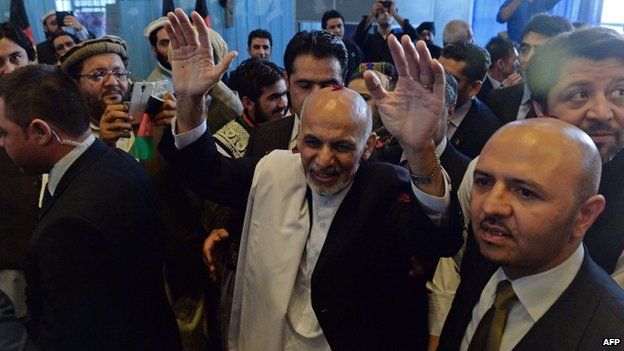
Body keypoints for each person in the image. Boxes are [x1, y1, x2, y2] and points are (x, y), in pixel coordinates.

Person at [161, 9, 462, 350]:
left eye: (342, 146)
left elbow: (436, 239)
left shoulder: (385, 182)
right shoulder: (274, 161)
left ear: (369, 147)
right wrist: (190, 99)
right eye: (312, 143)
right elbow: (207, 173)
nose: (322, 160)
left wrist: (421, 148)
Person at [429, 27, 624, 349]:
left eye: (619, 92)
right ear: (541, 110)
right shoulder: (489, 166)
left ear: (586, 213)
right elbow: (455, 263)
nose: (602, 112)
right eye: (579, 94)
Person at [0, 64, 181, 350]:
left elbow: (71, 336)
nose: (2, 143)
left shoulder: (70, 225)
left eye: (4, 133)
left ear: (39, 131)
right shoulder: (117, 161)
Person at [437, 119, 624, 351]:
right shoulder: (488, 257)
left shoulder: (612, 331)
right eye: (484, 182)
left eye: (525, 192)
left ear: (584, 215)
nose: (491, 206)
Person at [244, 30, 347, 157]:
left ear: (343, 83)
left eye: (327, 86)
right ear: (287, 81)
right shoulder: (262, 137)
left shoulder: (358, 140)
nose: (316, 97)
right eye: (305, 85)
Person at [0, 22, 38, 320]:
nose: (9, 69)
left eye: (15, 58)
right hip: (10, 258)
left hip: (58, 251)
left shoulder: (55, 105)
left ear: (29, 58)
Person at [485, 14, 573, 124]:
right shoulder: (498, 99)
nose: (528, 59)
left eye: (541, 51)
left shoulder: (574, 107)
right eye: (525, 50)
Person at [440, 41, 501, 158]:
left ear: (474, 88)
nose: (436, 82)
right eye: (436, 72)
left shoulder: (488, 132)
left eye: (450, 80)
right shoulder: (416, 104)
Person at [353, 0, 418, 64]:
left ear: (393, 18)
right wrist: (372, 13)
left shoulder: (398, 39)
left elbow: (413, 35)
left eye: (389, 12)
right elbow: (358, 36)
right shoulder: (368, 39)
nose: (386, 14)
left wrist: (395, 14)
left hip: (395, 74)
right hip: (372, 74)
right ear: (377, 17)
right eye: (382, 12)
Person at [321, 9, 363, 80]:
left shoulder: (352, 47)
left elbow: (360, 69)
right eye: (332, 27)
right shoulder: (319, 50)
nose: (337, 30)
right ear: (324, 30)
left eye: (339, 26)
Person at [496, 0, 564, 43]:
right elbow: (501, 18)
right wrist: (517, 2)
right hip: (515, 45)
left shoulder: (544, 1)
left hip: (537, 44)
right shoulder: (512, 1)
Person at [477, 36, 520, 101]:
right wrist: (502, 94)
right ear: (500, 64)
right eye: (514, 60)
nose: (518, 63)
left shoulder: (512, 84)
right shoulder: (479, 88)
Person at [144, 17, 173, 91]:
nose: (172, 49)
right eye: (165, 44)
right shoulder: (155, 87)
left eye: (175, 41)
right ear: (154, 50)